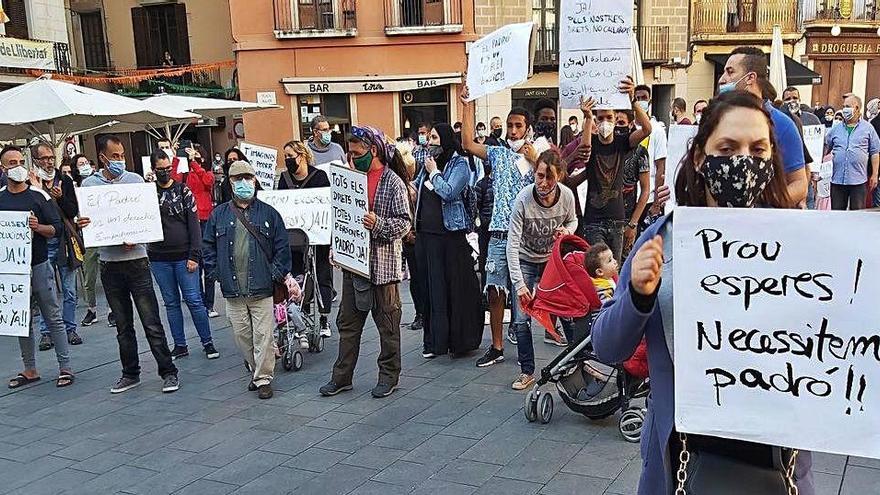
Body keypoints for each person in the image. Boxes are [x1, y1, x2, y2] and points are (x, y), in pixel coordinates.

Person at [592, 90, 814, 495]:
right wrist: (638, 298)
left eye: (758, 149)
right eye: (728, 148)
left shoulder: (801, 247)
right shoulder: (662, 242)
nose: (744, 161)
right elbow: (607, 346)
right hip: (685, 461)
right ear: (700, 157)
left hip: (775, 461)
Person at [78, 135, 179, 394]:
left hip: (137, 262)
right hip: (109, 264)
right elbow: (89, 223)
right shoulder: (89, 185)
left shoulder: (135, 182)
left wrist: (137, 237)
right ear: (102, 157)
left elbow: (149, 221)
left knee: (151, 322)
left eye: (122, 155)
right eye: (114, 156)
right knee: (123, 325)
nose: (120, 160)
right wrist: (84, 224)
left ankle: (168, 372)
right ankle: (130, 373)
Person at [320, 126, 410, 399]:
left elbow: (405, 223)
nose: (352, 155)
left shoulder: (393, 182)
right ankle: (341, 377)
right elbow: (341, 216)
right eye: (349, 150)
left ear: (373, 150)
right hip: (354, 264)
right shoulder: (349, 180)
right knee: (348, 324)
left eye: (356, 151)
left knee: (388, 325)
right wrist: (337, 246)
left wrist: (378, 224)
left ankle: (389, 376)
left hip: (383, 268)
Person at [203, 161, 294, 400]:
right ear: (230, 183)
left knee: (264, 335)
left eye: (248, 178)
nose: (244, 183)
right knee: (241, 334)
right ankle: (256, 370)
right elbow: (208, 247)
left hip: (262, 287)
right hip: (233, 289)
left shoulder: (269, 214)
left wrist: (275, 274)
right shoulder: (218, 215)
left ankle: (264, 378)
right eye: (237, 179)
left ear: (255, 180)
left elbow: (282, 248)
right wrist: (216, 274)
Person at [460, 86, 538, 367]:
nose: (513, 131)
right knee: (494, 290)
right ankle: (496, 345)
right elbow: (468, 143)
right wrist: (466, 102)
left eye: (518, 126)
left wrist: (535, 160)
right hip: (497, 233)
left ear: (528, 129)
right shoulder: (498, 155)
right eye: (509, 126)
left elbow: (554, 182)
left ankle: (524, 348)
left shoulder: (536, 160)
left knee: (522, 294)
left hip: (525, 238)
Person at [1, 146, 75, 389]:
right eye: (12, 163)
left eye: (21, 161)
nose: (18, 166)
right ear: (3, 168)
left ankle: (65, 367)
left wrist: (37, 227)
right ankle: (29, 369)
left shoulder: (38, 196)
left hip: (40, 264)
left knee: (52, 315)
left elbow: (56, 229)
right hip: (12, 269)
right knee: (20, 319)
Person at [506, 149, 578, 389]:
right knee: (520, 319)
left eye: (550, 177)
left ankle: (576, 359)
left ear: (559, 178)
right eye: (539, 175)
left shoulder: (566, 196)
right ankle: (527, 371)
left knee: (567, 312)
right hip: (525, 259)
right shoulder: (523, 199)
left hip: (551, 261)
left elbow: (573, 220)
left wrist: (567, 231)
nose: (543, 182)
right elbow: (512, 244)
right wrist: (519, 284)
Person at [414, 123, 483, 359]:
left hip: (450, 235)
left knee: (453, 287)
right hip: (427, 234)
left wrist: (434, 172)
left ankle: (458, 341)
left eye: (434, 137)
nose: (430, 141)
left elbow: (449, 191)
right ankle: (434, 342)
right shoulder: (426, 163)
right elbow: (417, 189)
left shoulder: (459, 164)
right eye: (428, 137)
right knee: (432, 290)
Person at [147, 149, 219, 361]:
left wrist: (194, 255)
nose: (165, 173)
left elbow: (194, 226)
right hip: (159, 257)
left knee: (194, 300)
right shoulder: (148, 193)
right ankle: (180, 344)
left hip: (183, 255)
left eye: (168, 169)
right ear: (153, 170)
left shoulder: (183, 190)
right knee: (170, 303)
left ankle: (207, 342)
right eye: (160, 169)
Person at [718, 46, 807, 205]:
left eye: (730, 72)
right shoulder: (718, 120)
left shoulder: (783, 125)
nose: (722, 79)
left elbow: (800, 184)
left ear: (750, 78)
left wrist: (763, 207)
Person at [582, 79, 653, 263]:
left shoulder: (623, 142)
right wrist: (588, 118)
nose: (605, 122)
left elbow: (647, 130)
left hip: (617, 219)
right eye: (601, 118)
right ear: (596, 121)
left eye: (609, 118)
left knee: (615, 270)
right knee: (597, 271)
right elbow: (584, 150)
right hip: (593, 221)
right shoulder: (592, 143)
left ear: (615, 119)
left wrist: (633, 101)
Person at [29, 143, 83, 350]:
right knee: (45, 289)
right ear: (35, 160)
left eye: (51, 157)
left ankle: (70, 328)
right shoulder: (31, 183)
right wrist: (39, 191)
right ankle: (46, 332)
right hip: (43, 241)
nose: (49, 161)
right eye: (44, 158)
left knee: (69, 289)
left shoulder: (65, 180)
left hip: (65, 241)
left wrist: (60, 199)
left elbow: (72, 211)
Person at [279, 140, 333, 337]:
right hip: (294, 239)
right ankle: (303, 313)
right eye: (285, 157)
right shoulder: (284, 179)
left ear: (302, 156)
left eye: (290, 156)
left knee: (321, 276)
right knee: (299, 276)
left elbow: (326, 205)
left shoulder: (319, 176)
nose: (287, 160)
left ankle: (324, 319)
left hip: (318, 237)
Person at [825, 93, 880, 211]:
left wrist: (875, 174)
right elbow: (825, 147)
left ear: (856, 108)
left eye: (848, 106)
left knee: (857, 215)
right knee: (837, 215)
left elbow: (875, 152)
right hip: (837, 181)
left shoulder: (868, 128)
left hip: (858, 181)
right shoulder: (836, 129)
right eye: (844, 106)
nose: (845, 109)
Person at [72, 155, 103, 327]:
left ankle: (113, 310)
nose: (84, 166)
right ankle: (91, 309)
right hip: (88, 237)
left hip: (103, 233)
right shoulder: (74, 186)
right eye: (80, 164)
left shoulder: (100, 181)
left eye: (86, 162)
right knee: (89, 275)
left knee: (109, 274)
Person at [615, 111, 651, 257]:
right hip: (605, 219)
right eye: (615, 121)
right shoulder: (607, 147)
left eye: (622, 122)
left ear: (631, 124)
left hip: (627, 217)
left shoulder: (640, 152)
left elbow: (645, 190)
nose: (617, 126)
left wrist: (633, 224)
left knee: (625, 265)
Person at [396, 141, 424, 331]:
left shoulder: (410, 188)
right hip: (410, 239)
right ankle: (420, 313)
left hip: (414, 238)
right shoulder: (408, 187)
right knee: (417, 278)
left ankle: (421, 313)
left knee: (418, 278)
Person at [634, 85, 668, 215]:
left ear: (650, 101)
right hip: (628, 197)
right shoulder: (627, 127)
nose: (641, 100)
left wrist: (656, 203)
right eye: (637, 98)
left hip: (648, 198)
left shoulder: (657, 130)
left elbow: (661, 167)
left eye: (644, 98)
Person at [474, 161, 494, 291]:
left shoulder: (481, 184)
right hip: (486, 228)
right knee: (484, 260)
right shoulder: (482, 184)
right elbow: (476, 207)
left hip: (489, 226)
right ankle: (486, 291)